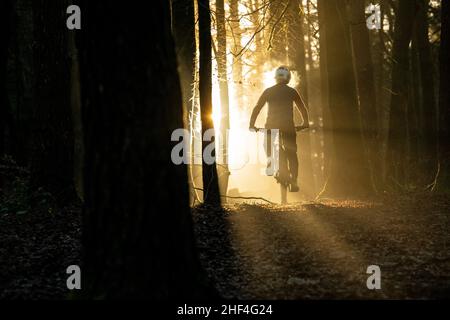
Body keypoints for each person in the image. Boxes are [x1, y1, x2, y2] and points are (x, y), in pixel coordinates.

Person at [249, 66, 310, 192]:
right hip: (288, 127)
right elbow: (302, 108)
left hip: (272, 126)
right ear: (288, 78)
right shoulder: (292, 92)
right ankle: (294, 181)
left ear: (276, 77)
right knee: (292, 153)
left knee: (268, 145)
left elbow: (257, 108)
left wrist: (251, 124)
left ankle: (271, 163)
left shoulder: (268, 91)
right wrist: (305, 123)